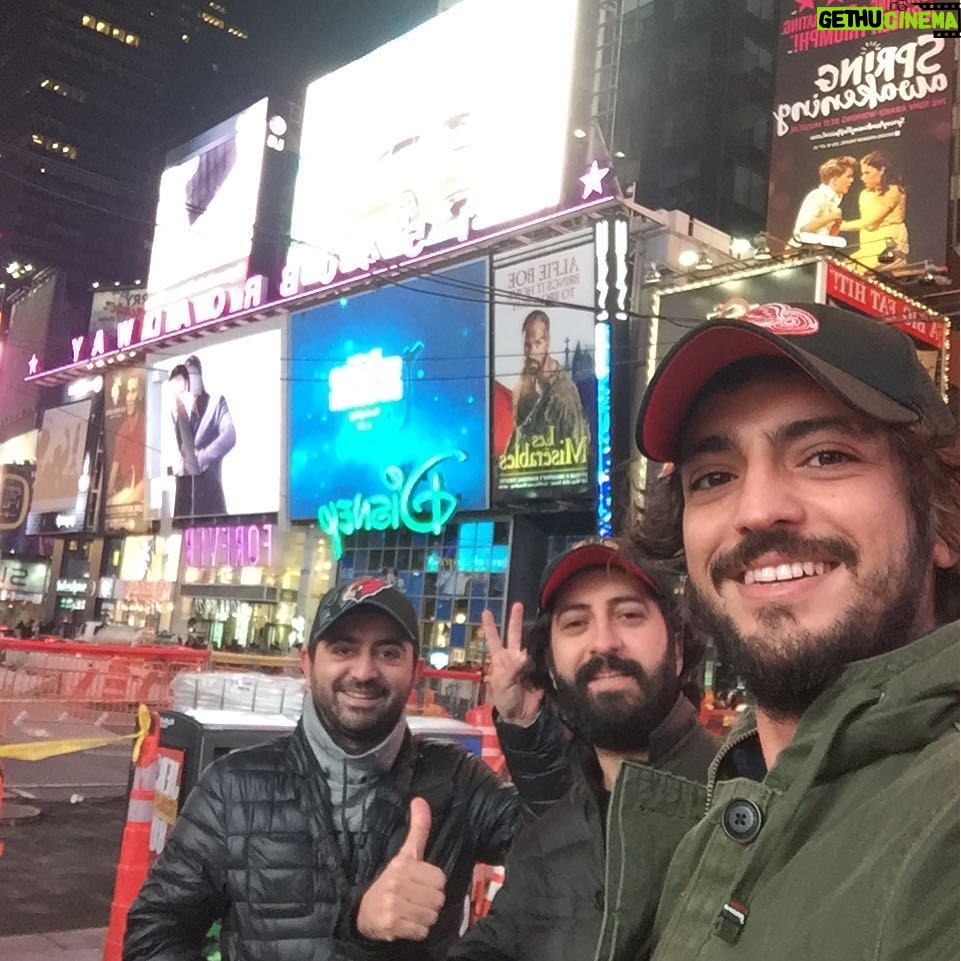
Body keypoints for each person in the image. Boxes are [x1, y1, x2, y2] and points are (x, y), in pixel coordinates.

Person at [612, 300, 958, 960]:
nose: (758, 508)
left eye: (825, 456)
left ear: (943, 517)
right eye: (713, 476)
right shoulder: (728, 804)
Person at [124, 576, 533, 961]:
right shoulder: (234, 787)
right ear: (307, 663)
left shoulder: (457, 780)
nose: (363, 672)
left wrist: (529, 728)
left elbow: (568, 844)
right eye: (343, 649)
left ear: (417, 670)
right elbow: (155, 932)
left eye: (388, 652)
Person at [449, 538, 717, 961]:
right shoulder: (543, 840)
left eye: (629, 615)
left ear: (678, 650)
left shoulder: (748, 796)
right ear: (552, 669)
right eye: (575, 623)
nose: (604, 642)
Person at [509, 310, 590, 450]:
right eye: (527, 345)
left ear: (547, 343)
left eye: (538, 343)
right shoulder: (526, 386)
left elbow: (579, 452)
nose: (531, 352)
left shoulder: (563, 395)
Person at [168, 355, 235, 518]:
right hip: (184, 499)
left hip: (210, 496)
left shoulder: (216, 404)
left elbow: (230, 435)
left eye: (192, 374)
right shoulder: (178, 413)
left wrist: (204, 456)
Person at [840, 150, 908, 270]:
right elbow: (868, 226)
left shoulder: (894, 191)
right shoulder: (864, 195)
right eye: (862, 173)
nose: (862, 178)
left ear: (881, 170)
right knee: (843, 267)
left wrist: (837, 225)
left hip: (888, 248)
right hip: (868, 245)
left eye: (867, 173)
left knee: (859, 270)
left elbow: (868, 222)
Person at [788, 156, 856, 244]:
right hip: (801, 254)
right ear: (835, 180)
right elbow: (803, 230)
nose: (852, 180)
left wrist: (836, 227)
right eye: (848, 176)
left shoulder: (834, 201)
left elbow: (824, 235)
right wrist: (831, 217)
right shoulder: (817, 196)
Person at [108, 373, 146, 498]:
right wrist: (109, 492)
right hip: (126, 496)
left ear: (140, 395)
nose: (130, 398)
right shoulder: (122, 432)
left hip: (146, 492)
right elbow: (115, 467)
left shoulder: (147, 425)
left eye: (133, 391)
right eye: (128, 392)